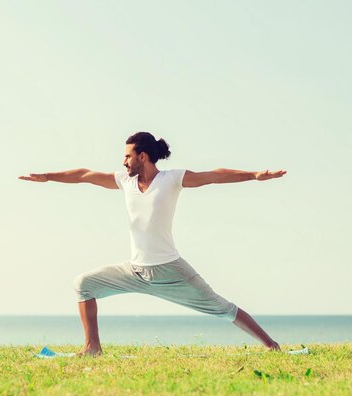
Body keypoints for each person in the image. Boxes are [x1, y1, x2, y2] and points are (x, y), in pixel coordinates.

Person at [19, 132, 286, 355]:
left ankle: (272, 346)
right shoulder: (125, 182)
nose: (123, 161)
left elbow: (214, 175)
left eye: (127, 155)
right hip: (135, 271)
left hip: (171, 270)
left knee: (222, 308)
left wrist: (254, 175)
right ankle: (92, 348)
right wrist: (48, 176)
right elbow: (83, 175)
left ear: (142, 156)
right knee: (83, 285)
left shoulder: (171, 179)